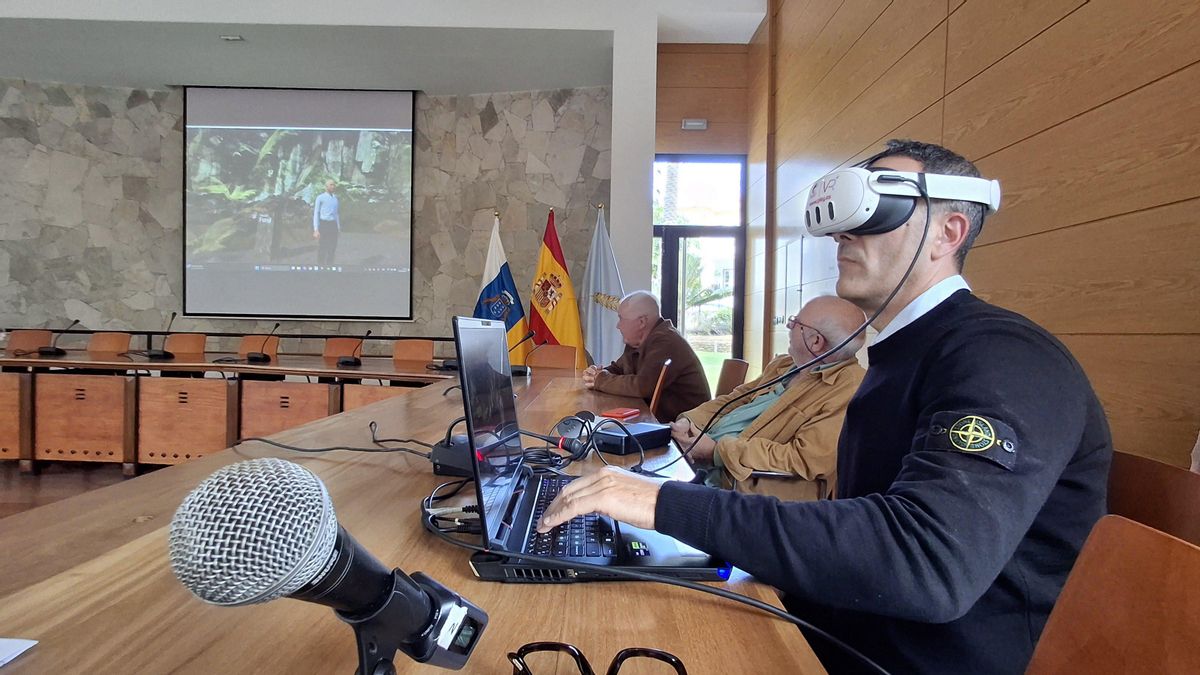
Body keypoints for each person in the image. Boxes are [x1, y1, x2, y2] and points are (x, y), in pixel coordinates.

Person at [539, 140, 1112, 674]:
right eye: (844, 221)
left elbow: (927, 562)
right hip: (840, 622)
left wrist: (667, 505)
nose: (845, 235)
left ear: (949, 233)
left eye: (879, 211)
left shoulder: (1003, 358)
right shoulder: (897, 357)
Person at [671, 296, 865, 499]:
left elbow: (803, 459)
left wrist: (717, 451)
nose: (789, 327)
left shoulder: (848, 388)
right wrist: (689, 421)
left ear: (815, 341)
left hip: (741, 493)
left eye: (795, 323)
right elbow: (737, 398)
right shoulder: (785, 365)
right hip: (702, 468)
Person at [581, 291, 710, 422]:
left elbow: (642, 387)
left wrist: (601, 380)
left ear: (642, 322)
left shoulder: (665, 342)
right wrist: (597, 374)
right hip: (655, 419)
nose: (618, 326)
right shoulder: (638, 340)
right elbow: (618, 368)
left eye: (621, 319)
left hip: (685, 429)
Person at [313, 179, 340, 265]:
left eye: (334, 185)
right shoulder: (320, 198)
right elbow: (316, 213)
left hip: (333, 225)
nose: (333, 186)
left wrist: (338, 227)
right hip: (324, 224)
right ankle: (320, 267)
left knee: (332, 248)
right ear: (326, 186)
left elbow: (336, 214)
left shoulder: (335, 198)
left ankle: (330, 267)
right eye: (331, 185)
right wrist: (316, 229)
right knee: (323, 247)